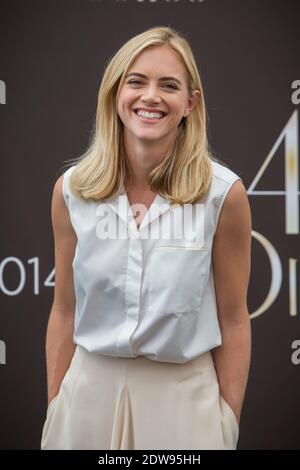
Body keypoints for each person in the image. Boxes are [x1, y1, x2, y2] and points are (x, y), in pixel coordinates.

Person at [41, 25, 252, 450]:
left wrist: (225, 422)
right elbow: (64, 309)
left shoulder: (223, 195)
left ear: (190, 103)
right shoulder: (72, 191)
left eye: (169, 85)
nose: (150, 96)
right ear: (115, 93)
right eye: (136, 81)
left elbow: (233, 319)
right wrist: (56, 406)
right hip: (84, 405)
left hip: (185, 409)